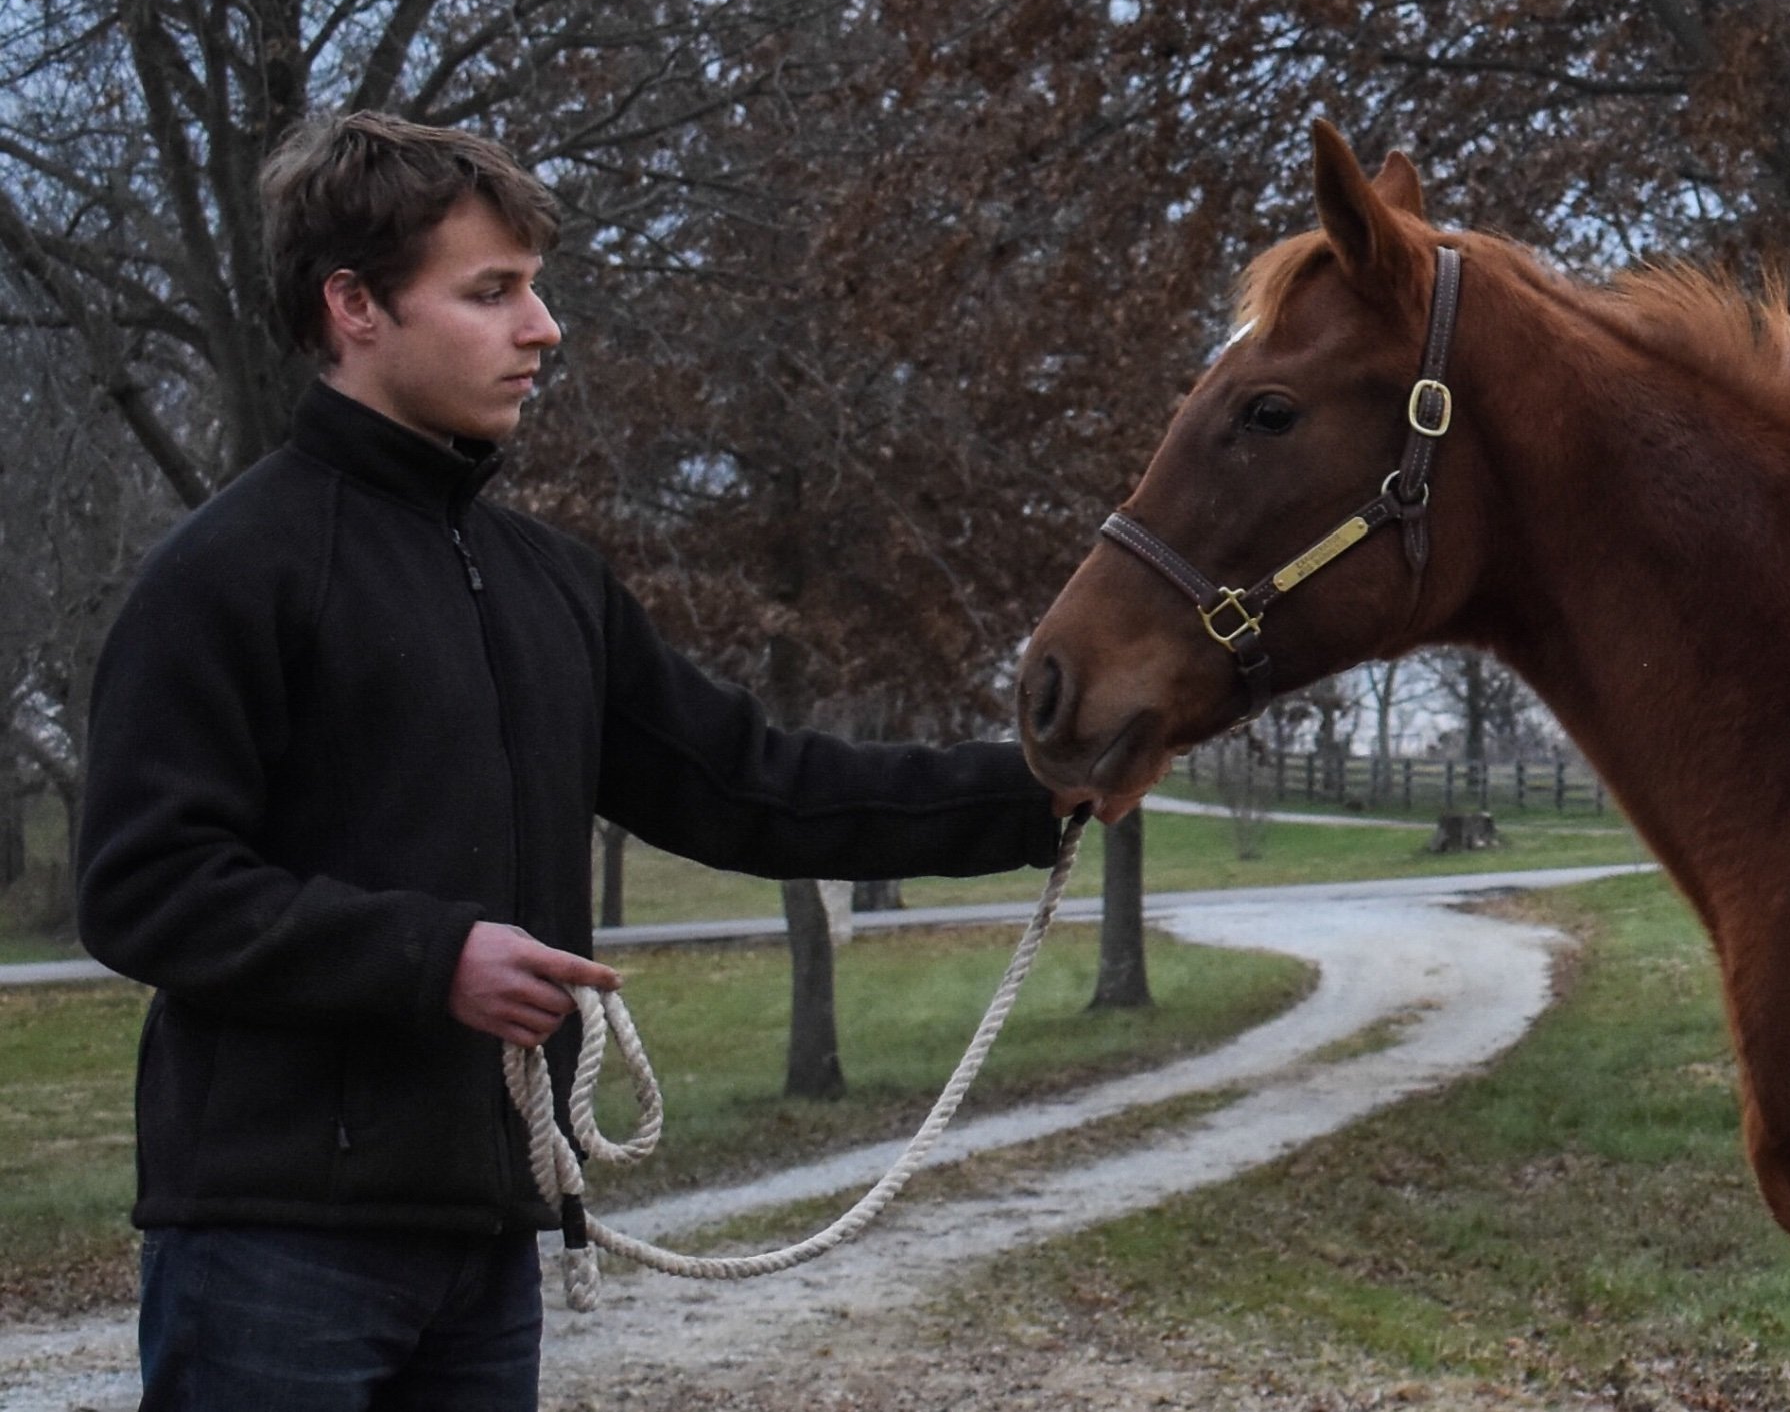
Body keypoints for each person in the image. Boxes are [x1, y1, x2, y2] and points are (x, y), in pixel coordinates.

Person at [75, 111, 1077, 1411]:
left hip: (490, 1242)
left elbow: (755, 788)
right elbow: (144, 886)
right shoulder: (226, 575)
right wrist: (434, 958)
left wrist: (1035, 790)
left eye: (533, 291)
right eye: (492, 293)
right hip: (275, 1248)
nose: (541, 329)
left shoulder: (553, 585)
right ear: (354, 307)